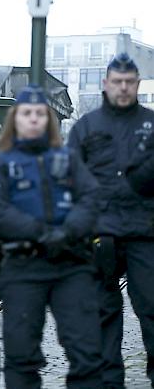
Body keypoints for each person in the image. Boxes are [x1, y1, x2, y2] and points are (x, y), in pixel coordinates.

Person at [0, 85, 102, 389]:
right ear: (15, 119)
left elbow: (91, 199)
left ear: (48, 119)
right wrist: (41, 233)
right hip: (22, 266)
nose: (33, 119)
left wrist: (68, 231)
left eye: (39, 114)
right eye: (26, 114)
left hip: (71, 264)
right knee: (21, 354)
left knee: (86, 350)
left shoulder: (69, 159)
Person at [68, 53, 154, 389]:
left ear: (137, 84)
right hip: (99, 234)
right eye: (117, 82)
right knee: (102, 315)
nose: (123, 88)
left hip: (145, 233)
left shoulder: (151, 124)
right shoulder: (86, 127)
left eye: (129, 82)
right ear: (106, 84)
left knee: (152, 310)